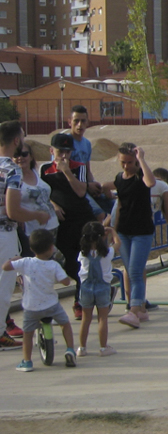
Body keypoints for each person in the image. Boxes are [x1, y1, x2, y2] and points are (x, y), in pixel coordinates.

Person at [0, 123, 51, 347]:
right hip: (4, 233)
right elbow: (13, 211)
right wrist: (37, 215)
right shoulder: (11, 170)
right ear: (16, 142)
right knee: (4, 285)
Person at [41, 133, 97, 322]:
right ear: (52, 151)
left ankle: (79, 301)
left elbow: (81, 191)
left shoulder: (77, 168)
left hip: (81, 218)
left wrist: (66, 171)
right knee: (65, 261)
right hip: (62, 223)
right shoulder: (45, 170)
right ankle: (88, 289)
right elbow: (42, 193)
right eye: (60, 151)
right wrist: (53, 206)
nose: (64, 155)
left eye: (67, 151)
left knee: (83, 260)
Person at [7, 228, 75, 371]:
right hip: (51, 305)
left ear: (31, 248)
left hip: (31, 307)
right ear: (51, 248)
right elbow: (66, 282)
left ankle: (27, 361)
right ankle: (70, 349)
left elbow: (5, 267)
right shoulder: (54, 265)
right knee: (65, 324)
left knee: (27, 334)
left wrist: (14, 260)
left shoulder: (25, 262)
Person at [113, 144, 157, 328]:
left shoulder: (140, 176)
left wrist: (141, 159)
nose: (126, 166)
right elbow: (119, 205)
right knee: (129, 270)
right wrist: (113, 230)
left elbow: (151, 182)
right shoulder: (119, 178)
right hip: (124, 231)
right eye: (123, 162)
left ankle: (134, 309)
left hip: (142, 232)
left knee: (136, 272)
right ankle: (139, 308)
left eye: (130, 162)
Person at [76, 221, 118, 358]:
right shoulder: (107, 253)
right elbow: (118, 244)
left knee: (86, 319)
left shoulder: (82, 254)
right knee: (102, 318)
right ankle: (103, 347)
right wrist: (112, 231)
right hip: (102, 287)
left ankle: (82, 348)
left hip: (86, 287)